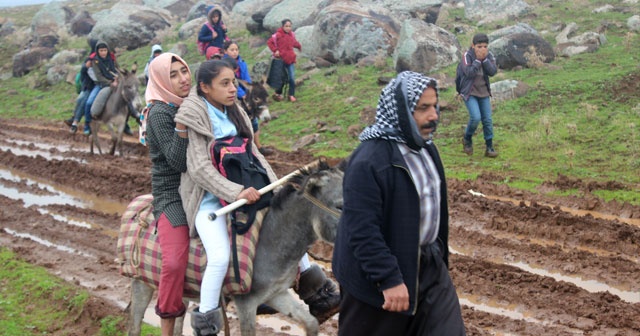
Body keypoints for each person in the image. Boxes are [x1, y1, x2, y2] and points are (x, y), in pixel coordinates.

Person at [175, 60, 340, 335]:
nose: (233, 90)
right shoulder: (194, 116)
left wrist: (278, 190)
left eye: (234, 83)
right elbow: (199, 168)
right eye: (224, 84)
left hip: (249, 194)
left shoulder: (235, 111)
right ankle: (206, 322)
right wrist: (234, 192)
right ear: (205, 87)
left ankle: (318, 296)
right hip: (210, 201)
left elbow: (255, 156)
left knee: (290, 231)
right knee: (218, 256)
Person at [332, 71, 466, 336]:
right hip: (376, 279)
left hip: (428, 264)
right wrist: (389, 279)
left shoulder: (427, 149)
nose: (434, 116)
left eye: (435, 106)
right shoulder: (368, 161)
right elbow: (361, 230)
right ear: (401, 111)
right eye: (423, 108)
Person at [144, 52, 193, 336]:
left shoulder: (192, 102)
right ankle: (166, 327)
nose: (182, 79)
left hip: (201, 186)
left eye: (183, 71)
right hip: (172, 194)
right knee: (174, 262)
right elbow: (177, 161)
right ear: (162, 80)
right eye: (173, 75)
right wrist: (184, 124)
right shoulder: (160, 113)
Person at [222, 40, 267, 154]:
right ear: (225, 51)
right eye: (232, 50)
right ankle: (245, 148)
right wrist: (241, 94)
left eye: (236, 49)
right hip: (233, 98)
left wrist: (249, 91)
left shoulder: (242, 63)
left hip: (246, 94)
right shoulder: (222, 67)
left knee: (253, 119)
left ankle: (258, 146)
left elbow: (246, 79)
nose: (235, 52)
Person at [458, 33, 498, 158]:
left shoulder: (489, 56)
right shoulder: (467, 56)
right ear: (473, 46)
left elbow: (492, 71)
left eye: (485, 46)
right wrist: (477, 60)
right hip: (470, 92)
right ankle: (467, 139)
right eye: (479, 46)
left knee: (487, 120)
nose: (482, 49)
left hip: (483, 91)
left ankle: (489, 147)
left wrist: (484, 60)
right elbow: (468, 73)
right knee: (475, 117)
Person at [83, 40, 119, 135]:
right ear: (97, 51)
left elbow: (117, 69)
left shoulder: (112, 58)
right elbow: (99, 77)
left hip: (115, 83)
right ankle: (87, 124)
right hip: (101, 85)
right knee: (89, 102)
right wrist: (110, 82)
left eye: (105, 50)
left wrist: (117, 79)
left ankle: (127, 124)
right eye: (101, 50)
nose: (103, 53)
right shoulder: (95, 61)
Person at [267, 19, 301, 102]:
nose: (288, 28)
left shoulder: (291, 35)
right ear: (282, 26)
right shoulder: (278, 35)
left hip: (290, 60)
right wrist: (275, 50)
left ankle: (291, 95)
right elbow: (269, 42)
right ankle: (278, 93)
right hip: (281, 60)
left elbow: (294, 43)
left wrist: (299, 46)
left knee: (292, 78)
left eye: (289, 26)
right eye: (286, 26)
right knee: (281, 78)